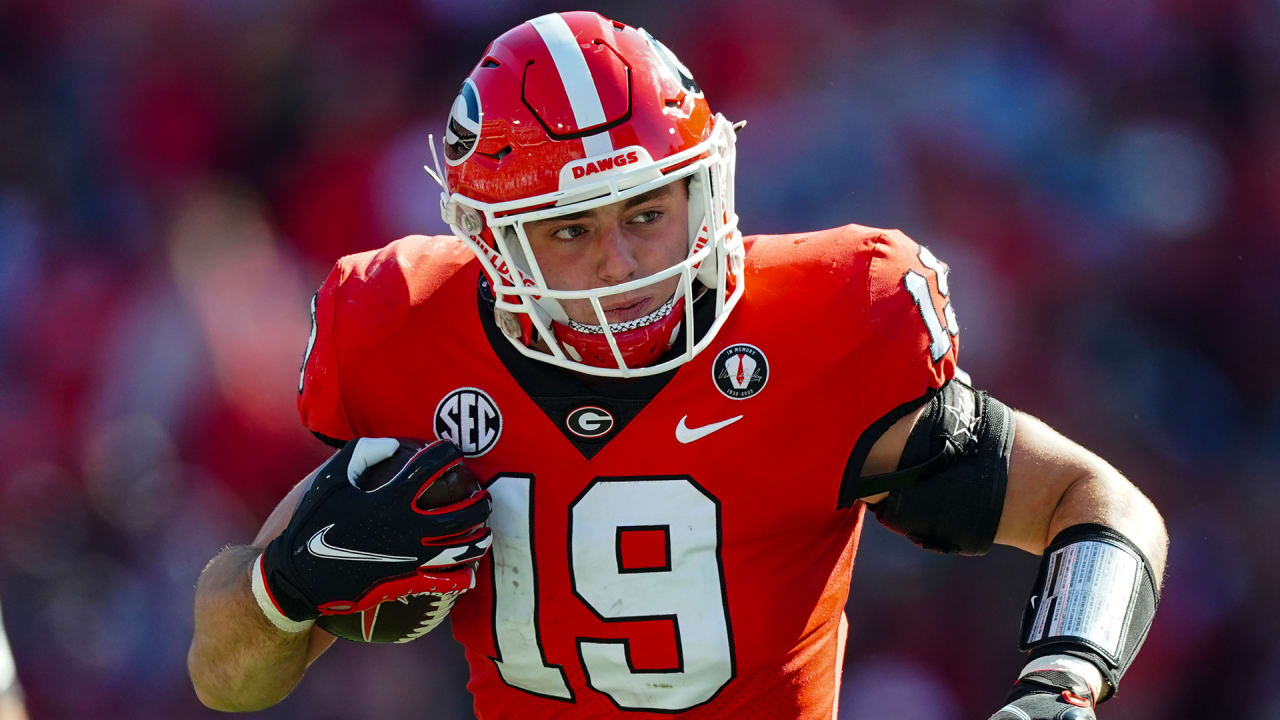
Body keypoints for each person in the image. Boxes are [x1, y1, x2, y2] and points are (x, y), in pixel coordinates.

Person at [187, 11, 1166, 720]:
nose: (620, 263)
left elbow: (1099, 506)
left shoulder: (821, 326)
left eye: (647, 213)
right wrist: (279, 587)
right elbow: (226, 679)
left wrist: (1061, 685)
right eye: (568, 230)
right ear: (490, 241)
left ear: (706, 188)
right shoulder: (404, 337)